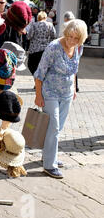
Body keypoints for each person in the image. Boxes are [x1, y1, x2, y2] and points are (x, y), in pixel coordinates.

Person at [34, 19, 87, 179]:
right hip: (50, 92)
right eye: (70, 36)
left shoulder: (79, 48)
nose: (72, 41)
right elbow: (40, 73)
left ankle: (49, 155)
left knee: (58, 127)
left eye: (76, 38)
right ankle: (50, 165)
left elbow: (74, 69)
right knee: (54, 127)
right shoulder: (54, 48)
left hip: (67, 93)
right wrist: (38, 95)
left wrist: (74, 88)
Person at [26, 11, 57, 87]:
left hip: (34, 50)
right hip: (46, 50)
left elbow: (29, 36)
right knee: (43, 67)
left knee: (31, 65)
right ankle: (40, 82)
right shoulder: (50, 25)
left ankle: (37, 81)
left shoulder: (34, 25)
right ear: (45, 17)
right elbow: (54, 36)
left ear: (38, 17)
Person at [62, 11, 79, 92]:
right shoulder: (77, 24)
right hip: (76, 49)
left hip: (68, 49)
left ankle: (70, 86)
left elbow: (62, 38)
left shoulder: (66, 25)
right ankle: (75, 86)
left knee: (68, 67)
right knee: (74, 68)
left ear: (66, 18)